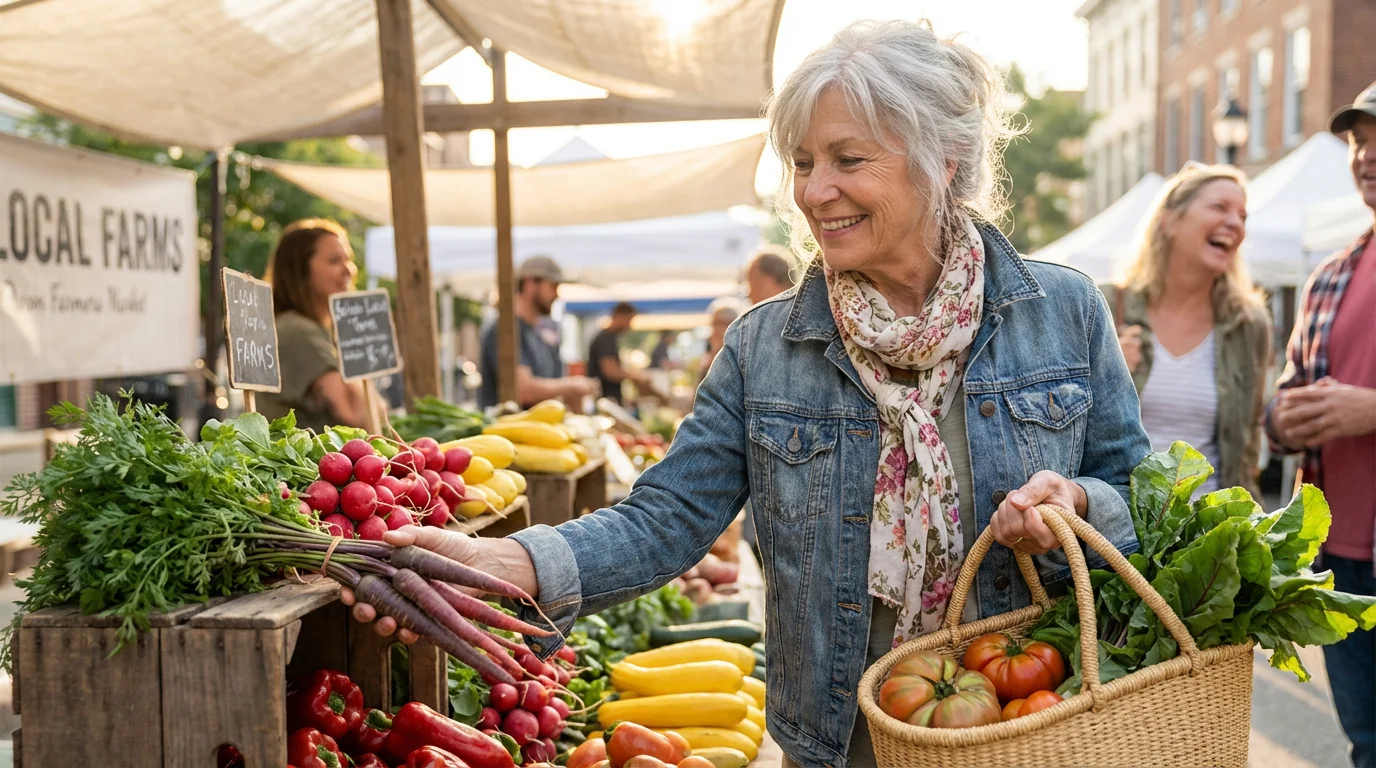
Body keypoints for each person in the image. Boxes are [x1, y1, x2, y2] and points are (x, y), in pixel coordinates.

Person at [343, 20, 1150, 766]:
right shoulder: (767, 346)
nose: (813, 190)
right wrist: (506, 560)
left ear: (942, 157)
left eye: (847, 158)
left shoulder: (1063, 313)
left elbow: (1138, 497)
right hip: (843, 741)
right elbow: (669, 517)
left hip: (1037, 722)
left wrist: (1078, 505)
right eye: (803, 163)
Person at [1265, 81, 1376, 768]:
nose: (1365, 156)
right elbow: (1282, 408)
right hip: (1342, 561)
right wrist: (1287, 419)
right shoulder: (1330, 275)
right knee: (1365, 743)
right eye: (1359, 143)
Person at [1101, 164, 1271, 498]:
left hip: (1210, 533)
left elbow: (1247, 445)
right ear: (1170, 221)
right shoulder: (1106, 304)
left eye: (1242, 216)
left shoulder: (1249, 324)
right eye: (1220, 207)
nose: (1235, 223)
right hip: (1119, 527)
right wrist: (1111, 370)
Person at [258, 219, 371, 432]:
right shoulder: (297, 331)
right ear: (300, 270)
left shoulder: (311, 327)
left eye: (349, 259)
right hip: (307, 463)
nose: (349, 270)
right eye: (334, 260)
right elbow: (352, 413)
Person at [478, 255, 598, 410]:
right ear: (530, 283)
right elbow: (522, 390)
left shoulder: (537, 333)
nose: (556, 295)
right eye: (552, 286)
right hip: (509, 432)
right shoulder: (505, 330)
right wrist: (571, 386)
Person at [587, 302, 650, 404]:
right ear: (620, 316)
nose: (630, 325)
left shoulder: (609, 338)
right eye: (629, 320)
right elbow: (610, 371)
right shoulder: (605, 338)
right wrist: (636, 377)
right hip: (605, 399)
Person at [696, 297, 743, 384]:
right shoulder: (710, 358)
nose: (714, 330)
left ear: (732, 325)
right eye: (713, 324)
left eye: (718, 323)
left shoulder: (739, 360)